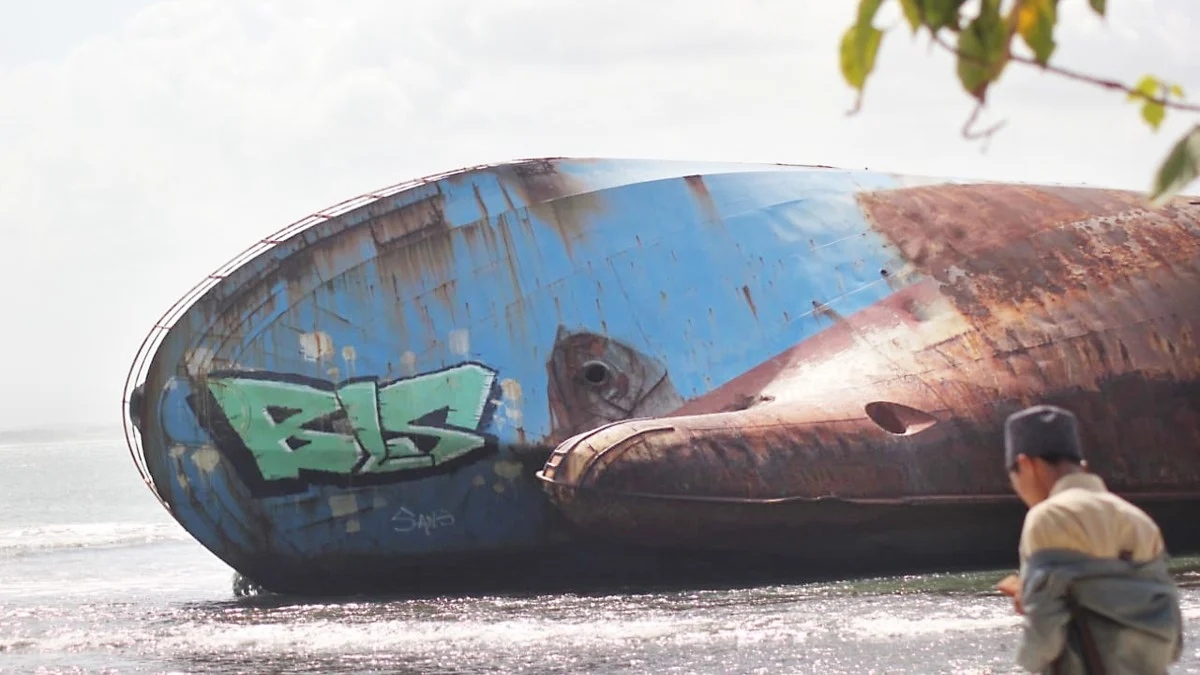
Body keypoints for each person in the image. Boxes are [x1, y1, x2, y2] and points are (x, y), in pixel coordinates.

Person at [997, 403, 1184, 674]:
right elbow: (1173, 637)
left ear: (1026, 464)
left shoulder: (1048, 517)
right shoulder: (1139, 520)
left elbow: (1044, 634)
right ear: (1082, 465)